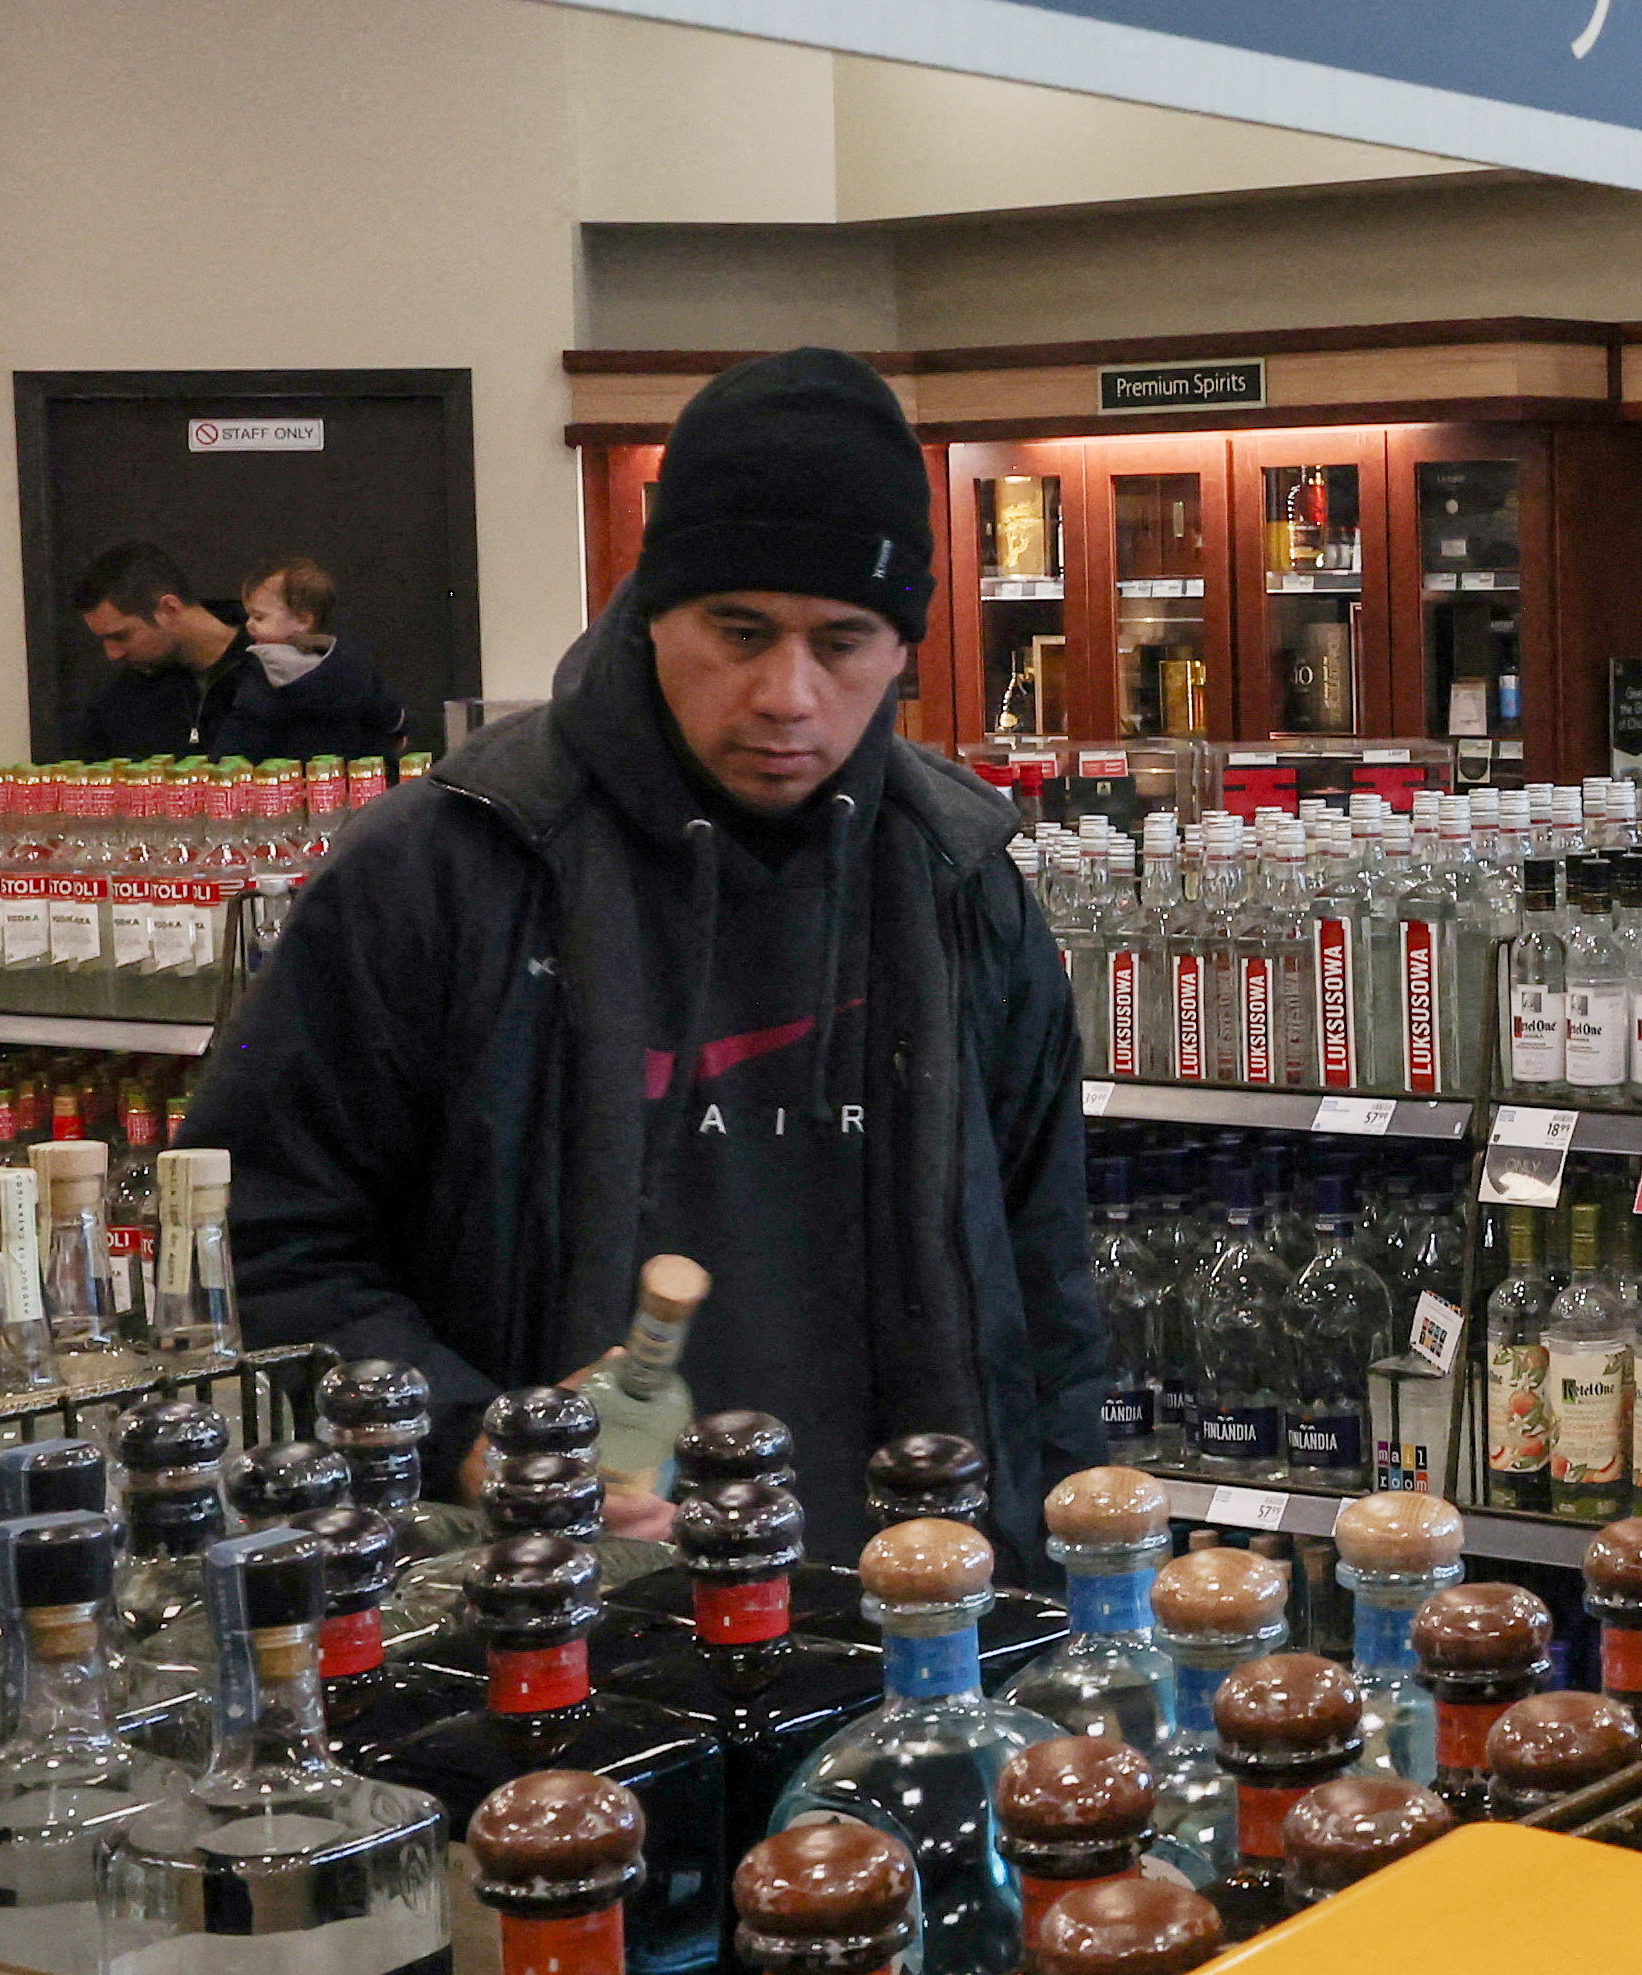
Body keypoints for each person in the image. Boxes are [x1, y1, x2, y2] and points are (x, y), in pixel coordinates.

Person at [186, 347, 1104, 1546]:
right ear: (653, 606)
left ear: (902, 648)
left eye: (842, 642)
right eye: (739, 630)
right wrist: (477, 1440)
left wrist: (1065, 1590)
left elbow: (1049, 1290)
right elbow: (261, 1234)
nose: (787, 693)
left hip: (911, 1628)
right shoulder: (449, 866)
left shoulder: (961, 879)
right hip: (547, 1638)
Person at [61, 542, 246, 758]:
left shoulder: (277, 675)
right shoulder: (117, 701)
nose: (112, 654)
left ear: (169, 608)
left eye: (120, 636)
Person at [227, 558, 416, 760]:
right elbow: (390, 712)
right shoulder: (351, 663)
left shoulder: (260, 672)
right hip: (354, 776)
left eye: (259, 617)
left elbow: (241, 735)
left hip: (285, 782)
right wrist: (398, 732)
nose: (248, 625)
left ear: (302, 620)